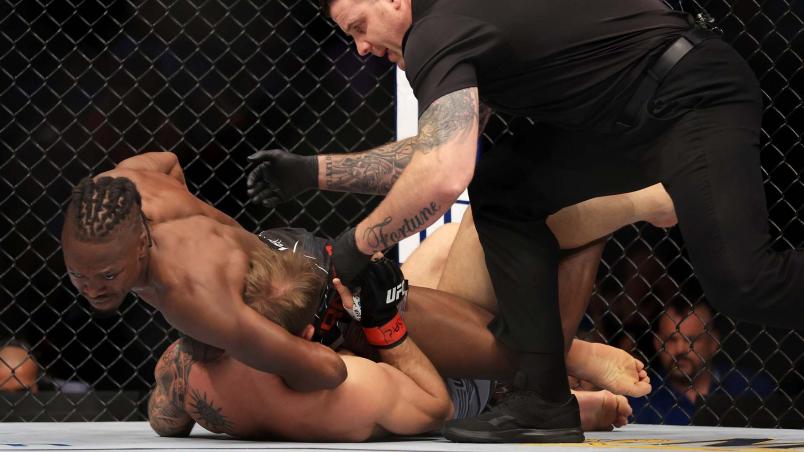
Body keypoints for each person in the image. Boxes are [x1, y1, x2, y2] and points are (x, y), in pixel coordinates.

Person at [247, 0, 800, 442]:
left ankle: (542, 392)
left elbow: (443, 174)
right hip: (625, 112)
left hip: (689, 95)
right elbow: (439, 145)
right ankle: (543, 399)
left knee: (745, 282)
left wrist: (357, 244)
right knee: (507, 188)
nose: (362, 47)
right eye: (351, 38)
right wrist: (315, 172)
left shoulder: (436, 31)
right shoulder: (458, 21)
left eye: (359, 27)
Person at [65, 152, 650, 418]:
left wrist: (285, 349)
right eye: (79, 275)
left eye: (109, 275)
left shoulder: (195, 302)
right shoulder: (123, 186)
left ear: (141, 239)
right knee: (446, 258)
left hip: (309, 300)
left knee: (497, 351)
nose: (92, 289)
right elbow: (166, 161)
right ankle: (564, 368)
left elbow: (321, 370)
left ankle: (566, 352)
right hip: (281, 256)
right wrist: (226, 238)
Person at [631, 302, 776, 426]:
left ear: (713, 343)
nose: (680, 349)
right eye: (671, 340)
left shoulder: (751, 389)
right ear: (658, 344)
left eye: (691, 340)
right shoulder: (640, 398)